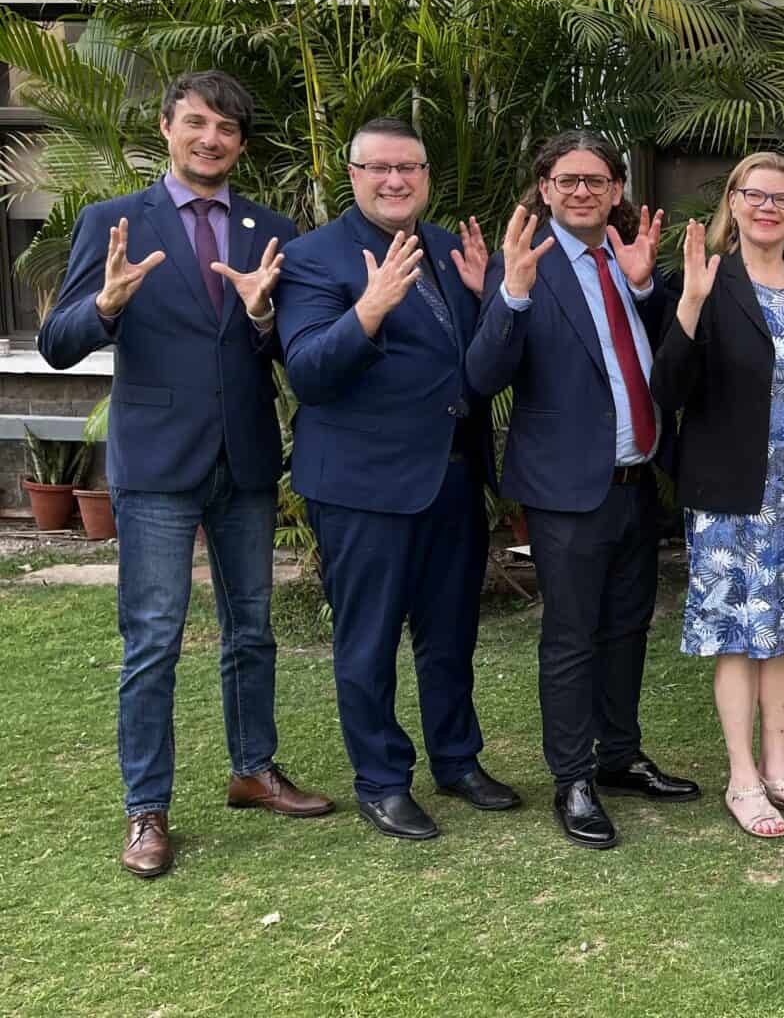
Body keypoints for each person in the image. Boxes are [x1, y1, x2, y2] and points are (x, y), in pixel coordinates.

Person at [38, 70, 328, 877]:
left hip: (243, 458)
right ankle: (147, 810)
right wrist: (106, 305)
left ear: (240, 142)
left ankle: (254, 770)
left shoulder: (270, 227)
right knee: (154, 640)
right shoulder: (114, 222)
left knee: (252, 630)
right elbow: (60, 343)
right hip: (158, 466)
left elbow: (288, 351)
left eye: (228, 128)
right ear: (166, 128)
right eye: (197, 123)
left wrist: (264, 314)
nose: (212, 139)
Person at [277, 117, 520, 841]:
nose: (394, 181)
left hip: (451, 477)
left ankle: (457, 758)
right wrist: (371, 307)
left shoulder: (449, 248)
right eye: (379, 168)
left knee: (449, 635)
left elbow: (478, 367)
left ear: (424, 175)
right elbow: (310, 372)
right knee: (369, 641)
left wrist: (491, 297)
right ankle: (381, 781)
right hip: (361, 488)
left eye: (408, 168)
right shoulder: (313, 257)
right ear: (351, 176)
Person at [466, 131, 698, 851]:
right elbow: (482, 377)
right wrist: (510, 294)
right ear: (543, 188)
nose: (582, 192)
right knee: (571, 638)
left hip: (637, 482)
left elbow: (669, 360)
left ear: (616, 190)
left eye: (596, 181)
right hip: (566, 491)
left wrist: (643, 286)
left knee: (628, 627)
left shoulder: (627, 263)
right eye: (566, 181)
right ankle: (572, 777)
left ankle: (619, 754)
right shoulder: (528, 267)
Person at [650, 152, 784, 838]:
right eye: (756, 195)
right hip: (730, 493)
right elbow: (668, 392)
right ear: (733, 203)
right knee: (738, 636)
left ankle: (779, 769)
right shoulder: (707, 278)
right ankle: (742, 777)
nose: (769, 207)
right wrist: (688, 306)